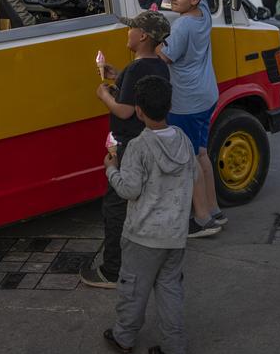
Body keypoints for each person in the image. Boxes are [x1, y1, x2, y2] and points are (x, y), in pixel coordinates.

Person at [101, 75, 196, 354]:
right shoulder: (183, 141)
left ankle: (124, 337)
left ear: (139, 111)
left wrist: (111, 169)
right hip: (175, 236)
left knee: (133, 290)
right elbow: (193, 176)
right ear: (169, 106)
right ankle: (173, 346)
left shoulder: (139, 147)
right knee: (170, 291)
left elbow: (129, 190)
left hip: (142, 237)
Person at [80, 11, 172, 289]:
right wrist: (119, 77)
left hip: (128, 145)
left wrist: (105, 94)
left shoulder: (136, 69)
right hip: (148, 143)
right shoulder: (158, 66)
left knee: (115, 206)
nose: (127, 33)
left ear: (142, 36)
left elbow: (125, 110)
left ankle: (112, 270)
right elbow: (140, 93)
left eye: (131, 29)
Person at [159, 0, 224, 238]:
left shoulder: (183, 26)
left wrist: (147, 38)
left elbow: (165, 57)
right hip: (206, 95)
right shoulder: (204, 13)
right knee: (201, 153)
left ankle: (201, 219)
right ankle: (214, 209)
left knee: (189, 160)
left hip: (186, 102)